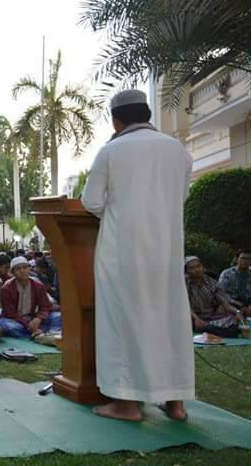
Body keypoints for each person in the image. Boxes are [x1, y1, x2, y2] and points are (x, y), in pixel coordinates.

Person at [81, 89, 194, 422]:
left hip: (123, 253)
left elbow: (91, 201)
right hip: (167, 252)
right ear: (146, 114)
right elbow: (180, 197)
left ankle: (127, 404)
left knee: (123, 322)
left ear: (116, 120)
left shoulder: (111, 151)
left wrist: (123, 214)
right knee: (169, 321)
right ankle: (175, 403)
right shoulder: (179, 151)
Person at [0, 257, 60, 337]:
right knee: (7, 326)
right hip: (15, 321)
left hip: (33, 318)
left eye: (25, 267)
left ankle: (47, 334)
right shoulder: (6, 288)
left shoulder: (38, 285)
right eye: (18, 269)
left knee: (57, 316)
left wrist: (38, 319)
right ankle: (39, 334)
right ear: (12, 272)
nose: (22, 271)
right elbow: (10, 314)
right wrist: (28, 325)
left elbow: (45, 306)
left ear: (29, 269)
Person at [185, 256, 244, 337]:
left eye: (198, 266)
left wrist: (237, 312)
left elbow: (225, 304)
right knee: (188, 323)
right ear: (187, 271)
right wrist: (196, 319)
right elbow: (184, 305)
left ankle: (210, 328)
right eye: (192, 268)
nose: (196, 270)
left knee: (233, 318)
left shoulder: (212, 283)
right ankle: (218, 330)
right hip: (191, 316)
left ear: (202, 267)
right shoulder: (184, 283)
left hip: (210, 317)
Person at [218, 250, 251, 317]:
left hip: (248, 303)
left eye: (249, 259)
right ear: (236, 259)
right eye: (243, 258)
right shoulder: (227, 273)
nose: (246, 261)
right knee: (221, 309)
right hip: (230, 302)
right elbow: (220, 292)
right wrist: (234, 302)